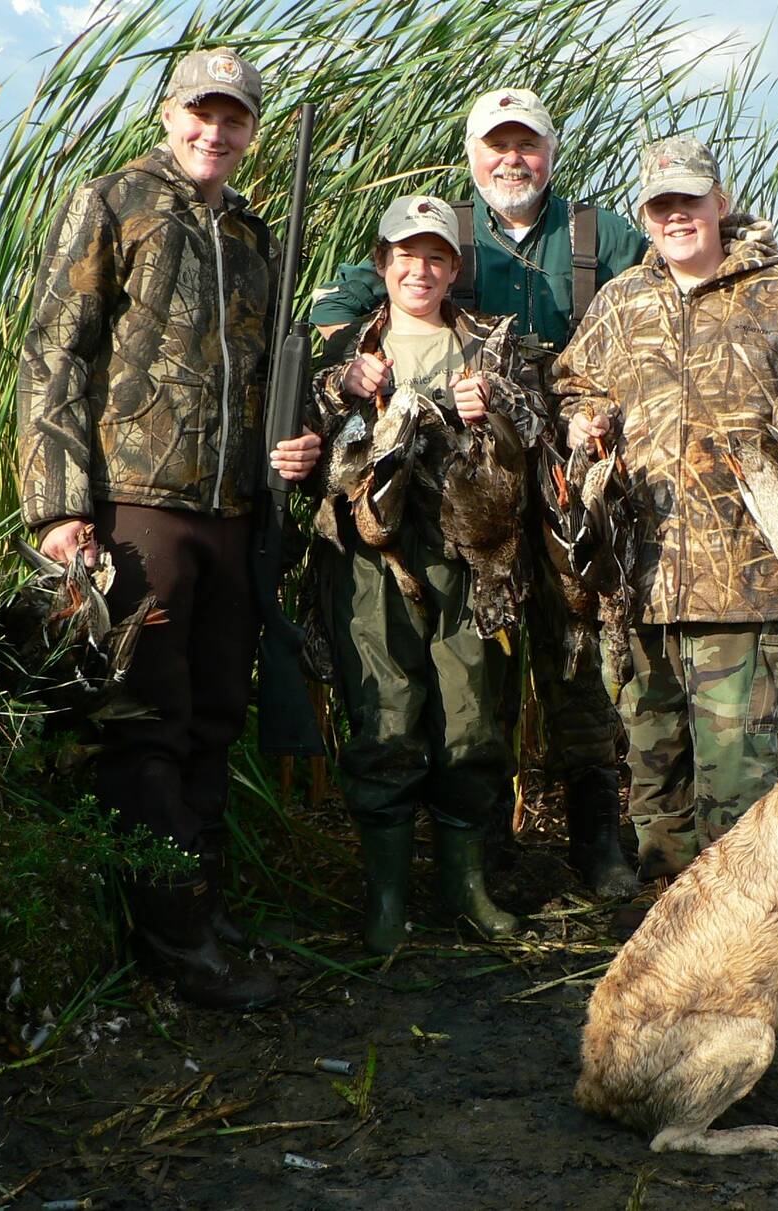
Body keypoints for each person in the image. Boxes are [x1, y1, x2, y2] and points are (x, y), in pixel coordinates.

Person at [16, 47, 321, 1010]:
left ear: (252, 130)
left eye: (233, 118)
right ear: (168, 114)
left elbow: (267, 373)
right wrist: (61, 506)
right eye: (201, 113)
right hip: (138, 505)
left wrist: (297, 442)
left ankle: (204, 908)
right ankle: (173, 941)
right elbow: (54, 355)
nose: (214, 133)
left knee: (216, 713)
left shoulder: (253, 232)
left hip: (233, 512)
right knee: (147, 718)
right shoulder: (113, 202)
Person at [310, 89, 649, 897]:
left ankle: (597, 840)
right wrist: (355, 366)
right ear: (472, 157)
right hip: (476, 484)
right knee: (480, 668)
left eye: (526, 144)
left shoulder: (601, 236)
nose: (512, 160)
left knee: (576, 660)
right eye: (496, 145)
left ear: (550, 153)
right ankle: (486, 856)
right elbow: (339, 304)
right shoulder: (444, 234)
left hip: (564, 484)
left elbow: (672, 285)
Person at [554, 137, 778, 880]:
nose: (677, 216)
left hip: (748, 583)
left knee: (738, 789)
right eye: (661, 205)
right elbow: (573, 385)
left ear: (719, 204)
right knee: (654, 779)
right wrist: (582, 422)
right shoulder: (621, 300)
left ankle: (741, 926)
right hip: (640, 581)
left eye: (690, 201)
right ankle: (671, 916)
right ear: (645, 216)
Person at [306, 196, 546, 953]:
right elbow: (299, 448)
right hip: (372, 562)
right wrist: (339, 387)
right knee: (385, 718)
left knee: (472, 719)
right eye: (406, 255)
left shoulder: (490, 344)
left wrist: (496, 405)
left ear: (454, 268)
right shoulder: (343, 350)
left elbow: (538, 427)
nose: (421, 269)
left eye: (437, 256)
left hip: (473, 557)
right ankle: (387, 899)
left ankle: (464, 888)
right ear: (382, 264)